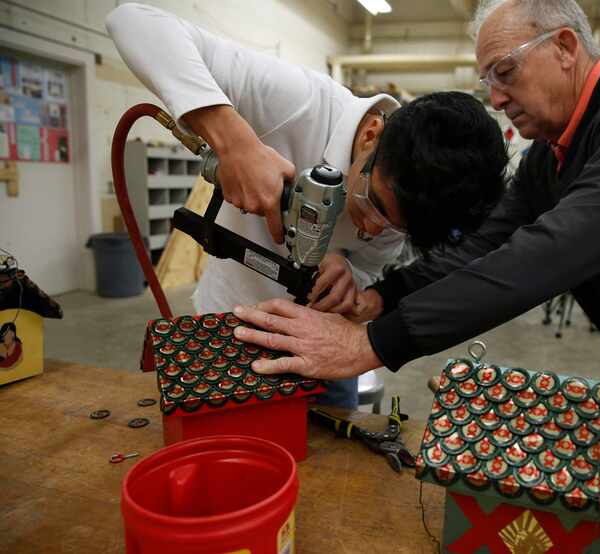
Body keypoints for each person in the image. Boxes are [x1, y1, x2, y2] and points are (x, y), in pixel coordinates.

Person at [230, 0, 600, 473]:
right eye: (487, 77)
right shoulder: (551, 158)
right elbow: (486, 244)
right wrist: (382, 297)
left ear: (565, 48)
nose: (494, 96)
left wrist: (372, 345)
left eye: (506, 71)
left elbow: (541, 259)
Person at [106, 4, 508, 408]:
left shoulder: (403, 208)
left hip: (321, 350)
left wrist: (352, 270)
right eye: (375, 205)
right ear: (371, 135)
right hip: (230, 330)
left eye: (392, 228)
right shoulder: (297, 101)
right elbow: (132, 21)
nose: (370, 229)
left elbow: (370, 262)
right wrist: (236, 142)